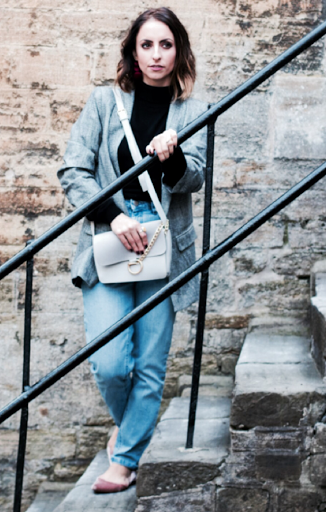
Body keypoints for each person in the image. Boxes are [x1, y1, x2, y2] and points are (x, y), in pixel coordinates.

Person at [57, 7, 207, 493]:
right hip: (110, 238)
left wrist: (173, 155)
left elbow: (195, 179)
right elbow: (73, 170)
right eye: (147, 45)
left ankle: (124, 459)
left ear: (179, 52)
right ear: (133, 54)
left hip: (163, 247)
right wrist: (113, 216)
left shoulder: (191, 112)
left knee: (150, 364)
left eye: (166, 45)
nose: (157, 54)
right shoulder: (104, 102)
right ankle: (130, 426)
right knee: (110, 361)